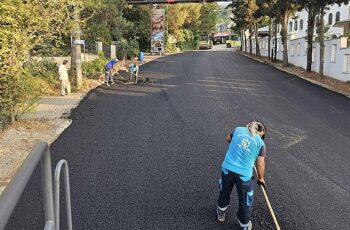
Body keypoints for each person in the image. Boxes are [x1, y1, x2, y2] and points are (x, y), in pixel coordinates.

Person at [217, 121, 267, 230]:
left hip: (228, 169)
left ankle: (221, 210)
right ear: (261, 132)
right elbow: (260, 164)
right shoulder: (260, 144)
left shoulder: (238, 130)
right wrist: (261, 178)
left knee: (224, 190)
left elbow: (227, 138)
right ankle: (244, 225)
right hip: (244, 175)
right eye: (263, 135)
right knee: (245, 200)